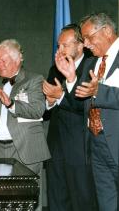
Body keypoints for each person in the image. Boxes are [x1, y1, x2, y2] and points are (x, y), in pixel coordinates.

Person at [55, 13, 119, 211]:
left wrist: (100, 91)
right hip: (96, 146)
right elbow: (80, 107)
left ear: (107, 31)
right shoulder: (92, 64)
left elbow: (100, 93)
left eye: (90, 38)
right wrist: (72, 79)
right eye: (84, 40)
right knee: (105, 204)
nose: (87, 44)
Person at [0, 39, 50, 211]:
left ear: (17, 60)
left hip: (25, 148)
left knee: (29, 201)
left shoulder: (34, 79)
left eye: (4, 60)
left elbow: (38, 110)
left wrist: (11, 105)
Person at [43, 24, 97, 211]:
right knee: (57, 202)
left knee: (82, 202)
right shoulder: (55, 70)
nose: (60, 50)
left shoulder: (93, 68)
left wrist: (60, 97)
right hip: (56, 149)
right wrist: (50, 101)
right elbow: (46, 111)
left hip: (80, 150)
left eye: (64, 45)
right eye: (58, 46)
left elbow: (85, 107)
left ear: (80, 45)